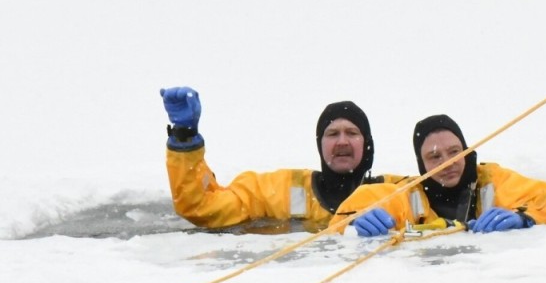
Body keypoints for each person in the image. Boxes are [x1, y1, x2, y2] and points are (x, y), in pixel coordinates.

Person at [162, 86, 398, 229]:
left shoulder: (397, 191)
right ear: (320, 144)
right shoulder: (276, 190)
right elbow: (203, 208)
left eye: (353, 133)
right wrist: (185, 137)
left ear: (367, 145)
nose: (342, 141)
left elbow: (434, 199)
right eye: (332, 134)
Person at [338, 113, 546, 236]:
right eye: (435, 157)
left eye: (454, 152)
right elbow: (344, 214)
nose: (447, 163)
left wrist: (523, 218)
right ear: (421, 164)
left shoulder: (491, 179)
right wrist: (355, 222)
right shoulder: (407, 195)